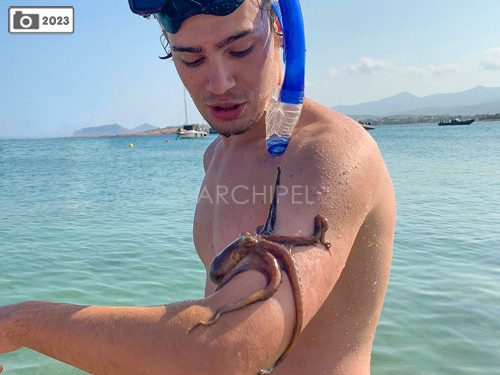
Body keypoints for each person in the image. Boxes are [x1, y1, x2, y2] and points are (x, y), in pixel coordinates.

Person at [0, 0, 395, 374]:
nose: (219, 84)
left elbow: (226, 347)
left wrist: (16, 323)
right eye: (191, 59)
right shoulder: (217, 155)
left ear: (280, 29)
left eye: (240, 49)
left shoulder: (331, 153)